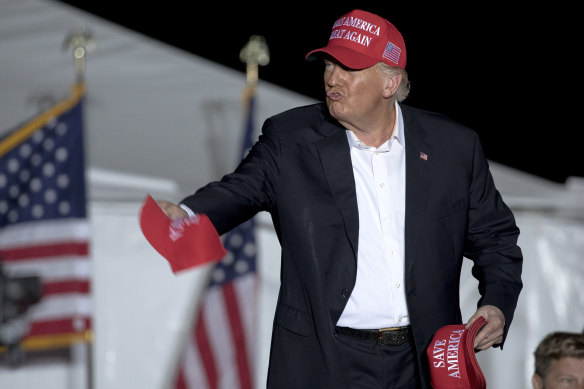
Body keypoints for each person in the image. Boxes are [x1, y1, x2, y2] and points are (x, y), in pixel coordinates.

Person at [157, 8, 523, 389]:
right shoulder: (291, 139)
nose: (333, 78)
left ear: (389, 82)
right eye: (329, 65)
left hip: (422, 361)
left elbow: (495, 238)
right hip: (324, 362)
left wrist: (495, 304)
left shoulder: (453, 147)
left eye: (349, 68)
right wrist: (185, 213)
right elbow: (239, 190)